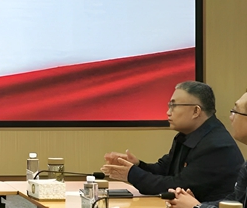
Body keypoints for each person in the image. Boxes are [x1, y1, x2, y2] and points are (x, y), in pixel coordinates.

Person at [101, 81, 242, 201]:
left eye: (174, 106)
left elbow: (176, 187)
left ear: (196, 111)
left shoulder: (216, 146)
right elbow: (164, 170)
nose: (168, 112)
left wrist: (132, 174)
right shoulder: (187, 136)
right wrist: (137, 165)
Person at [168, 89, 247, 208]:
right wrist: (190, 204)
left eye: (235, 111)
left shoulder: (217, 144)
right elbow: (235, 202)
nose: (230, 117)